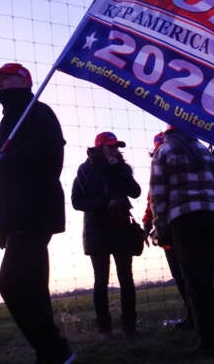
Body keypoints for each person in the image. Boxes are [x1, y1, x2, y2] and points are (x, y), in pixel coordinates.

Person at [0, 63, 74, 364]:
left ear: (23, 81)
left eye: (4, 78)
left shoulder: (38, 112)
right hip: (19, 216)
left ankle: (56, 350)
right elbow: (7, 181)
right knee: (33, 288)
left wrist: (7, 159)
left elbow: (50, 155)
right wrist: (0, 223)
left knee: (10, 284)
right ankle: (51, 354)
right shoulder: (10, 118)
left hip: (34, 211)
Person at [149, 126, 214, 351]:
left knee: (194, 282)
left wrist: (160, 226)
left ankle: (209, 340)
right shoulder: (204, 151)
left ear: (169, 134)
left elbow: (158, 195)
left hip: (185, 220)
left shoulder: (163, 153)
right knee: (205, 278)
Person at [71, 132, 142, 339]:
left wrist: (119, 169)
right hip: (97, 231)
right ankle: (105, 330)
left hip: (121, 229)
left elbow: (135, 191)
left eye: (116, 146)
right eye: (110, 146)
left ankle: (130, 327)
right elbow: (77, 201)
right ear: (99, 147)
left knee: (126, 279)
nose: (114, 150)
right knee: (101, 281)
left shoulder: (121, 168)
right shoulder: (85, 170)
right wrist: (104, 204)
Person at [142, 132, 193, 331]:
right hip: (171, 231)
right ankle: (194, 315)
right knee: (184, 276)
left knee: (187, 275)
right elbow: (151, 199)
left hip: (176, 227)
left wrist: (151, 222)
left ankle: (197, 316)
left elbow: (154, 198)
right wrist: (147, 222)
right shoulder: (185, 163)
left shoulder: (165, 168)